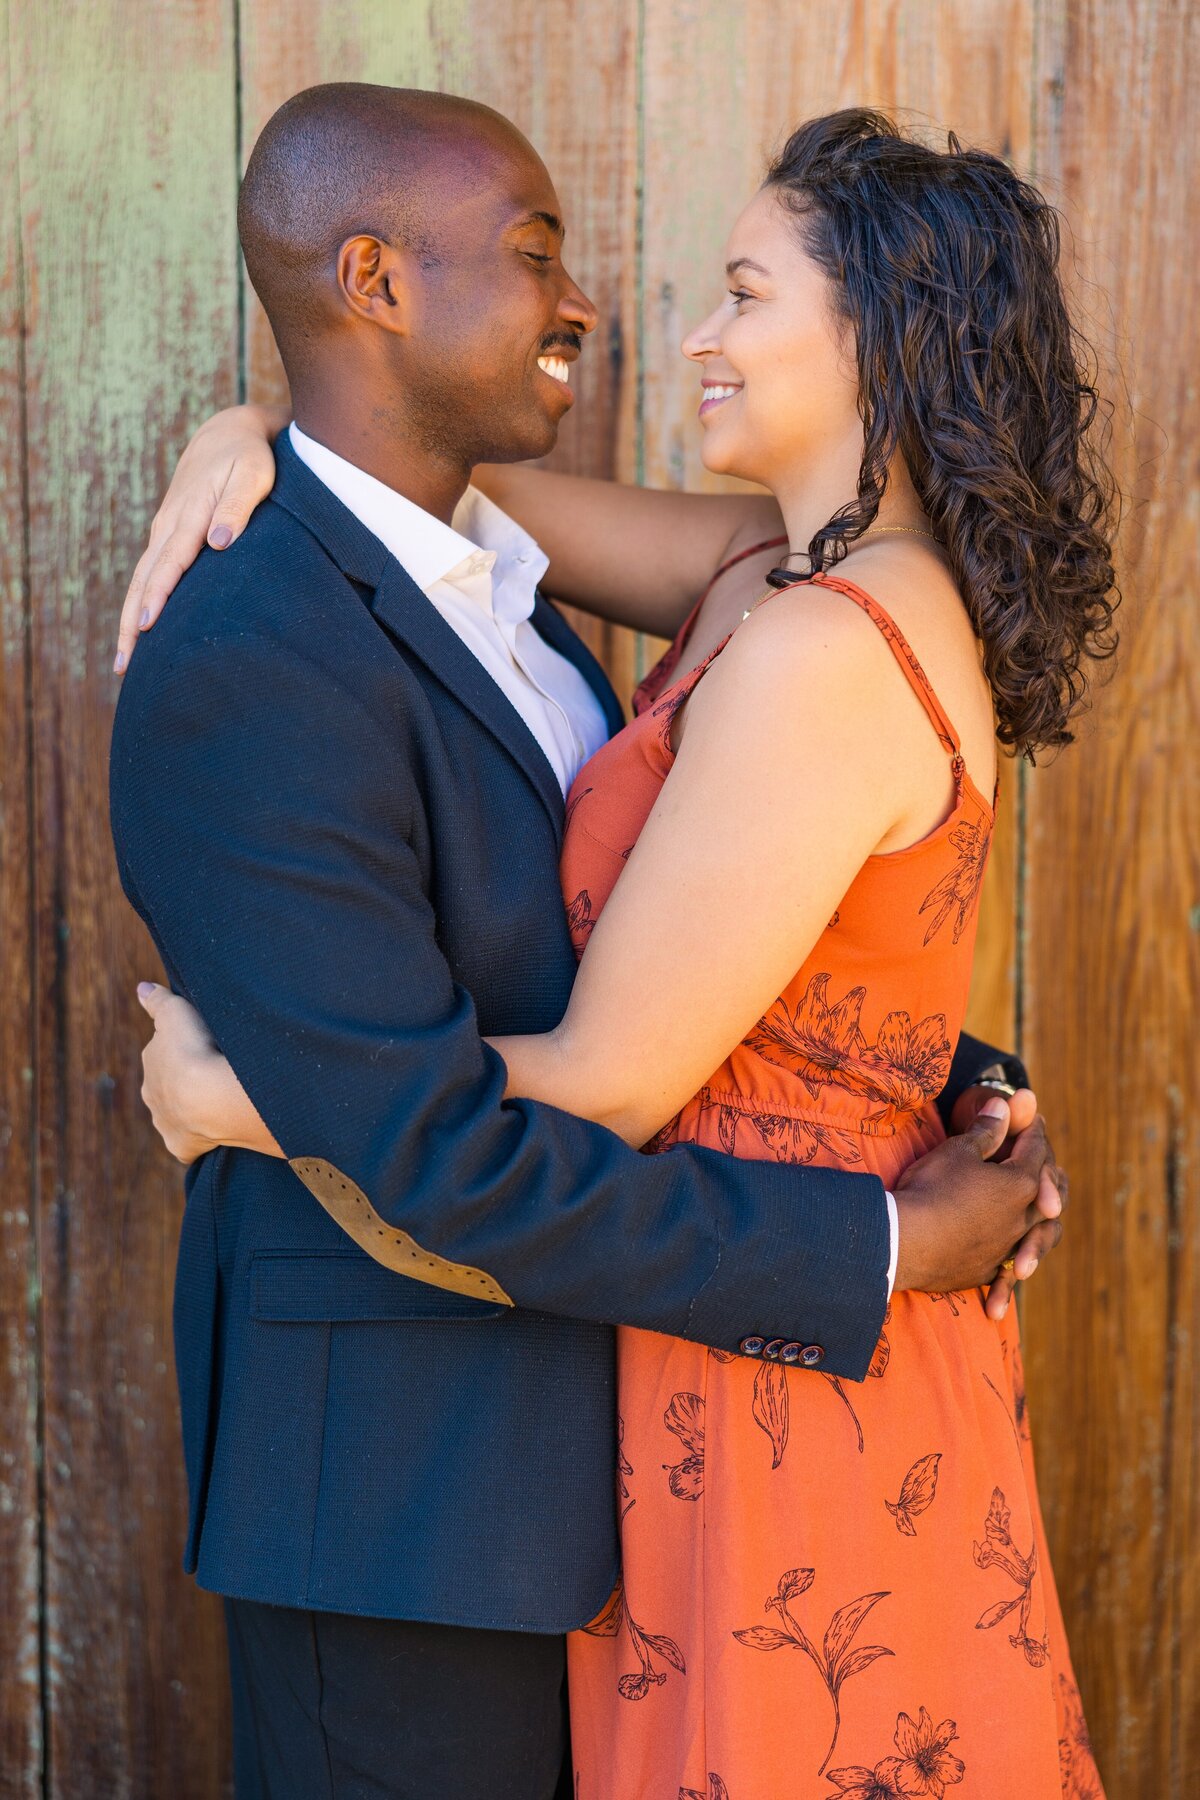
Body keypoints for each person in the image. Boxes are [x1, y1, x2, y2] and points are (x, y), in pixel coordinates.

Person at [111, 88, 1071, 1799]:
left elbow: (622, 1068)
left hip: (719, 1397)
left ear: (888, 346)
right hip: (438, 1495)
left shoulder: (813, 632)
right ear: (376, 280)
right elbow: (429, 531)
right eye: (543, 257)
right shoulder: (741, 575)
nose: (649, 323)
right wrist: (265, 415)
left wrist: (252, 1097)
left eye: (745, 297)